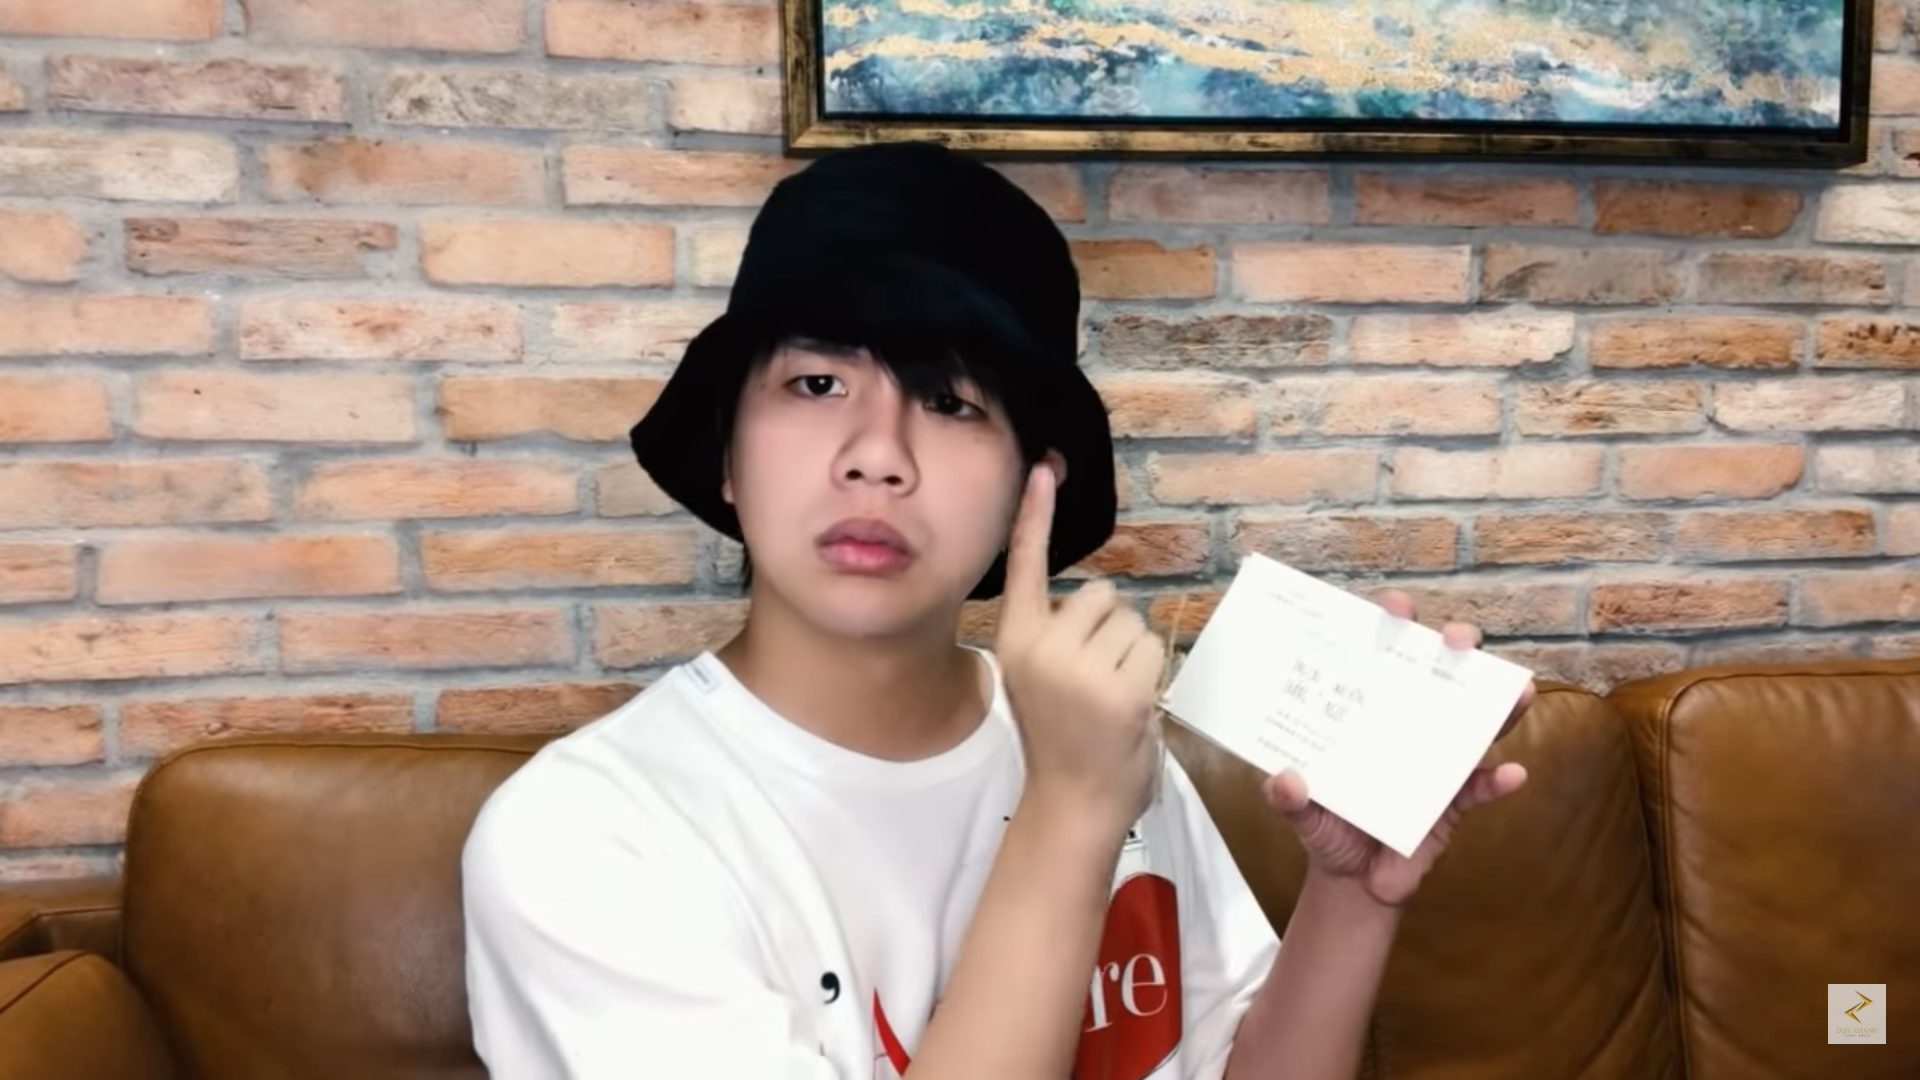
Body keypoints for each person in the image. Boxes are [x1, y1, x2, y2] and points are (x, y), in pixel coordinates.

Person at [460, 141, 1534, 1079]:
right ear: (727, 455)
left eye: (949, 400)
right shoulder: (583, 838)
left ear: (1033, 485)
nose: (877, 455)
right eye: (817, 384)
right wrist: (1069, 815)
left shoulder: (1094, 741)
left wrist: (1351, 896)